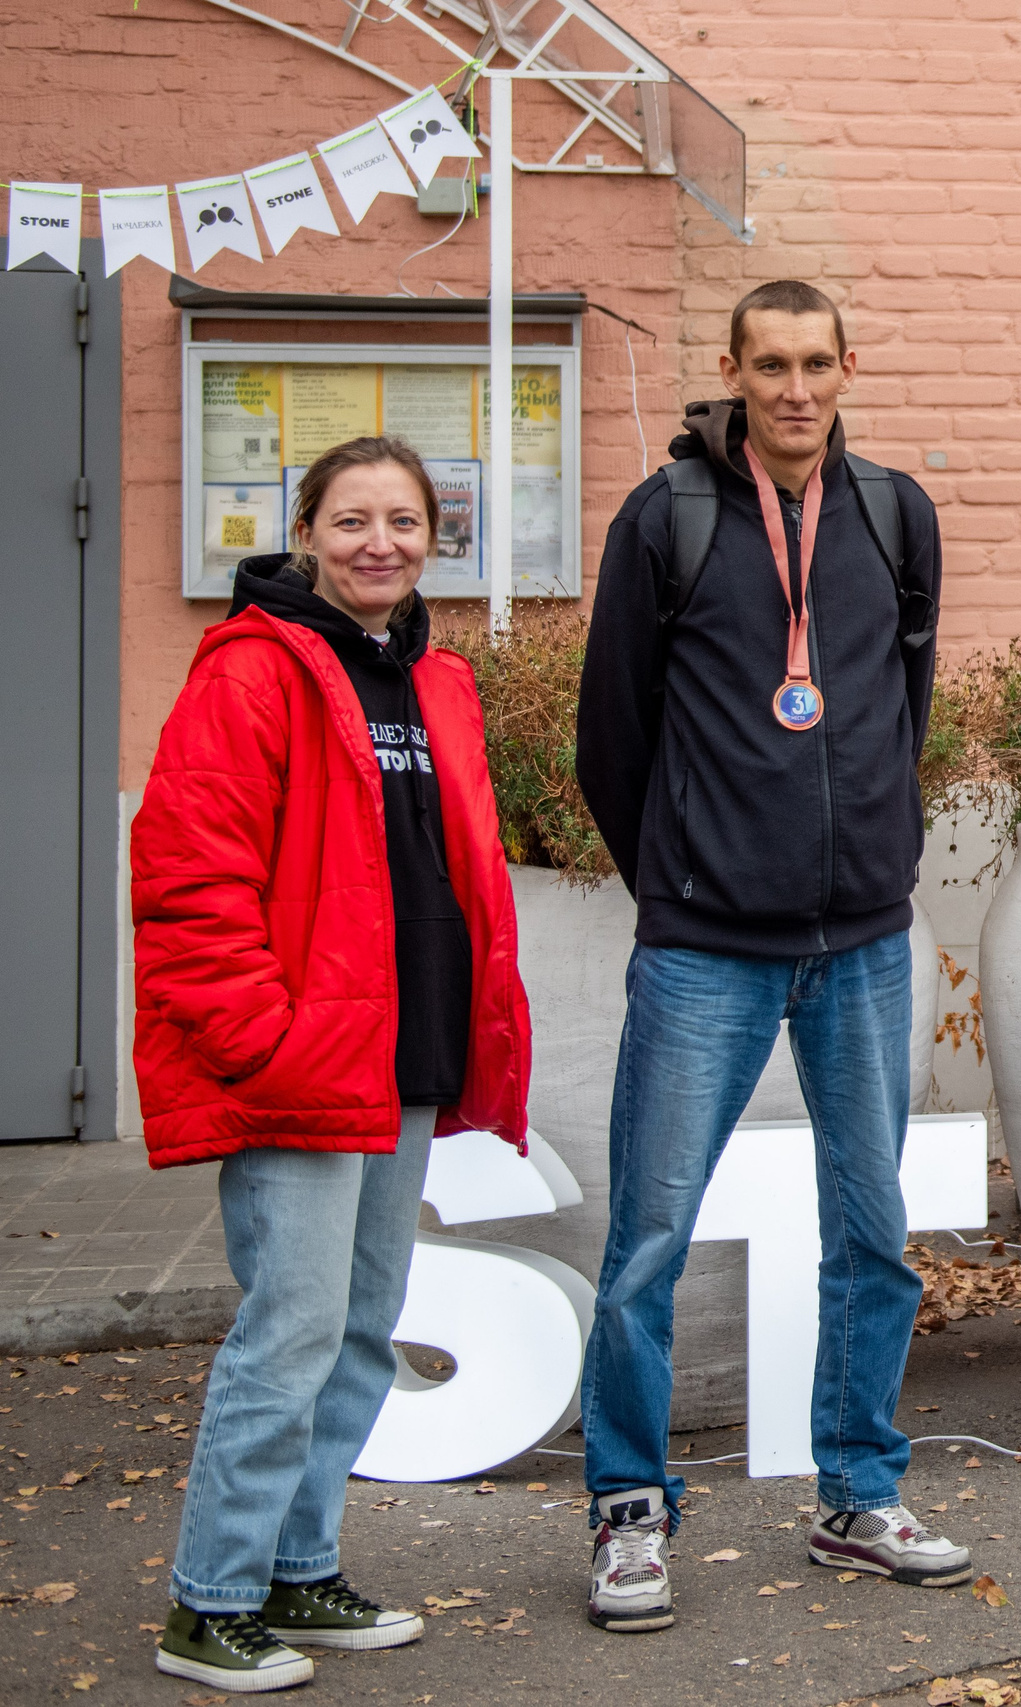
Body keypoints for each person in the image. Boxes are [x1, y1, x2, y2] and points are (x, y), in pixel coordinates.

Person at [575, 279, 956, 1631]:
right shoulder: (666, 520)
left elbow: (898, 707)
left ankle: (857, 1491)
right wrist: (683, 876)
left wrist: (870, 854)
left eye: (817, 363)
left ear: (849, 367)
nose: (795, 389)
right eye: (770, 365)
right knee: (648, 1242)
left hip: (860, 940)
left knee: (873, 1232)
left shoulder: (893, 515)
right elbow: (609, 736)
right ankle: (628, 1506)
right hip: (705, 946)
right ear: (731, 370)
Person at [132, 436, 533, 1692]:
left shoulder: (434, 681)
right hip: (301, 1065)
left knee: (361, 1332)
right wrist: (262, 1037)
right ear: (307, 531)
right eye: (352, 519)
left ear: (433, 537)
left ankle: (300, 1570)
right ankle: (210, 1600)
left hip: (401, 1059)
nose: (379, 542)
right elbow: (189, 876)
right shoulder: (254, 673)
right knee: (289, 1333)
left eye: (403, 521)